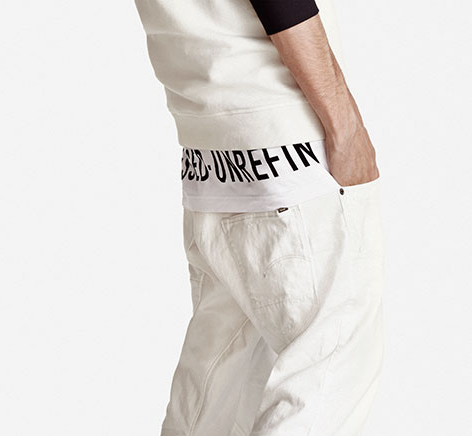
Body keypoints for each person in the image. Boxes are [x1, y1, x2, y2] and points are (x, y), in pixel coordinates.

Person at [134, 0, 385, 435]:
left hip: (209, 152)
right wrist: (345, 126)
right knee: (328, 373)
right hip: (288, 143)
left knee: (213, 391)